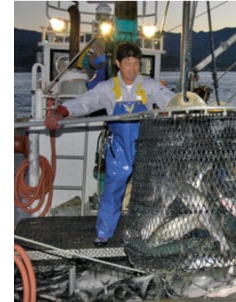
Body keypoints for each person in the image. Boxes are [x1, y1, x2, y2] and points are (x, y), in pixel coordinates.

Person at [45, 42, 175, 246]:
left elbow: (171, 100)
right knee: (113, 189)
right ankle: (104, 233)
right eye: (127, 63)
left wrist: (182, 106)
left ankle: (149, 232)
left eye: (136, 64)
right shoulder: (107, 89)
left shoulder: (149, 85)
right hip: (119, 148)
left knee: (149, 191)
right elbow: (84, 103)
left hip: (145, 145)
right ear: (117, 64)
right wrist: (60, 112)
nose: (132, 68)